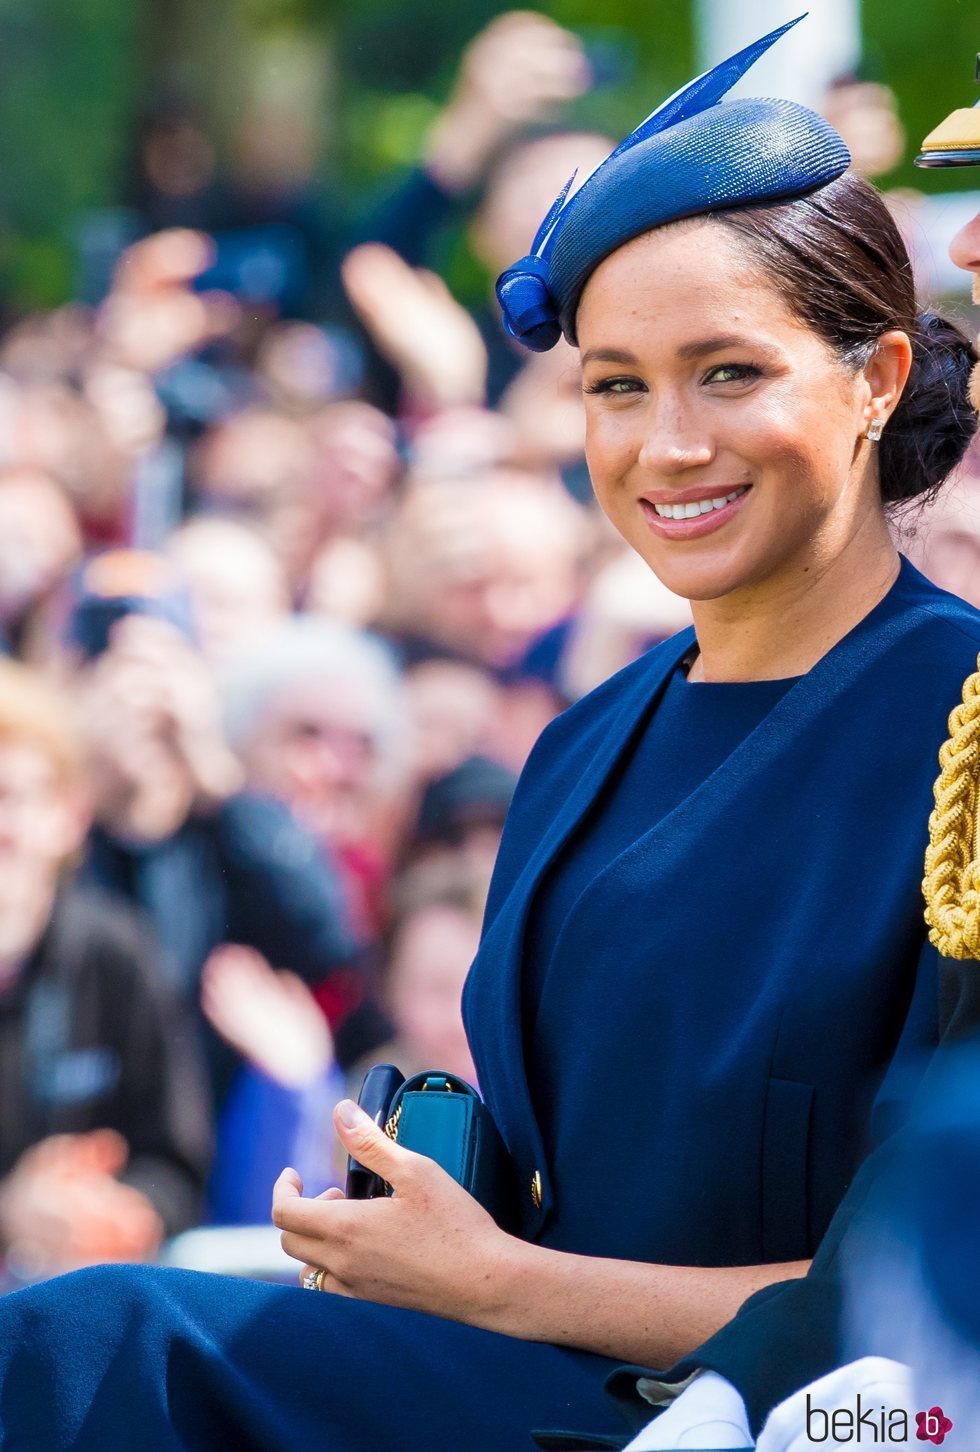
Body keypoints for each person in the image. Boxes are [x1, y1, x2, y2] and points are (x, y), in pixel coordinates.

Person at [1, 20, 979, 1450]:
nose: (669, 444)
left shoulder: (962, 731)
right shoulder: (586, 743)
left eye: (730, 372)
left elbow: (908, 1291)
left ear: (878, 379)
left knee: (102, 1351)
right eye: (617, 385)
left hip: (780, 1420)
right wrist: (416, 1232)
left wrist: (506, 1282)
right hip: (522, 1378)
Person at [0, 660, 211, 1283]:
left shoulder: (116, 951)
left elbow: (176, 1165)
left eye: (10, 798)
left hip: (81, 1299)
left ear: (69, 814)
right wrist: (11, 1210)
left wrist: (117, 1212)